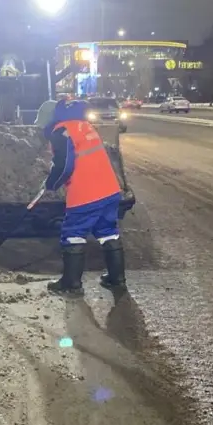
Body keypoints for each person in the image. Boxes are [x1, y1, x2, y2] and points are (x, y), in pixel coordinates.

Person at [42, 98, 126, 296]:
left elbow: (65, 165)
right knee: (108, 232)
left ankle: (71, 284)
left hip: (86, 194)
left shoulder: (61, 132)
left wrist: (52, 183)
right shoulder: (84, 126)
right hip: (109, 190)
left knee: (73, 234)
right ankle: (117, 279)